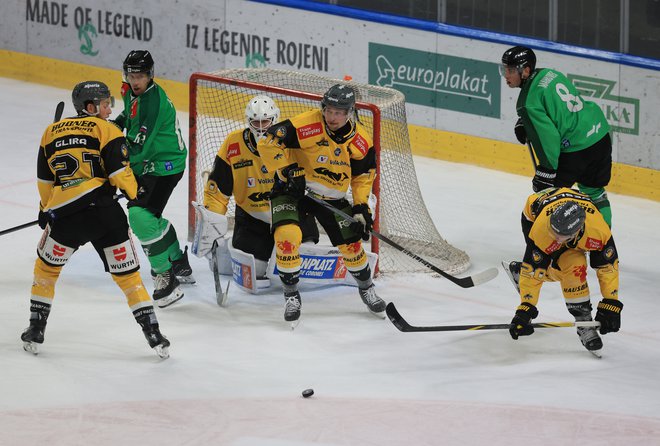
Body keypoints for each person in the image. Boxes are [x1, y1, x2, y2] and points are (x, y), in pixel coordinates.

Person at [22, 81, 170, 358]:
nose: (109, 108)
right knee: (128, 278)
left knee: (46, 270)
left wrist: (46, 208)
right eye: (104, 104)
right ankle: (153, 333)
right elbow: (118, 172)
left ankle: (35, 328)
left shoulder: (49, 133)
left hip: (67, 218)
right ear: (90, 107)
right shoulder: (107, 129)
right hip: (106, 216)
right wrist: (134, 191)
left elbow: (45, 181)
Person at [257, 83, 386, 325]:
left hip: (332, 198)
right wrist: (288, 171)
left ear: (350, 113)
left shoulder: (360, 142)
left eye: (338, 112)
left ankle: (367, 288)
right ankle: (291, 295)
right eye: (328, 110)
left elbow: (363, 177)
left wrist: (361, 208)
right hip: (293, 191)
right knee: (286, 237)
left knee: (352, 246)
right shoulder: (306, 124)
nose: (332, 117)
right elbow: (268, 142)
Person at [192, 95, 318, 278]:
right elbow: (218, 190)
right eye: (255, 122)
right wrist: (213, 220)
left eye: (265, 122)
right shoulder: (233, 144)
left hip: (291, 212)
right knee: (257, 270)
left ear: (275, 119)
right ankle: (230, 250)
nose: (260, 128)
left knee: (304, 258)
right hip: (252, 217)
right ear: (248, 121)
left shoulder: (292, 142)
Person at [500, 45, 613, 227]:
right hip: (599, 133)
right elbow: (558, 109)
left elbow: (548, 139)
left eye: (511, 70)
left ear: (526, 70)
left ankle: (552, 251)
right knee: (595, 192)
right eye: (504, 69)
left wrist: (546, 172)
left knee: (550, 199)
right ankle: (603, 247)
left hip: (576, 149)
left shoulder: (527, 104)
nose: (506, 75)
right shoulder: (549, 73)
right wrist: (529, 124)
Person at [114, 50, 192, 308]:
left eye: (141, 76)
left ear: (150, 76)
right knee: (151, 216)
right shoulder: (129, 90)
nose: (135, 80)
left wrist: (116, 165)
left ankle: (165, 275)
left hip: (164, 165)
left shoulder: (155, 102)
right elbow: (128, 114)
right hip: (149, 162)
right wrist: (115, 125)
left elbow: (142, 149)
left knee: (140, 216)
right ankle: (178, 261)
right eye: (131, 75)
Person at [502, 187, 623, 355]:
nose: (555, 238)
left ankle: (518, 272)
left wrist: (611, 302)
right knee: (572, 265)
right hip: (534, 214)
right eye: (553, 232)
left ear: (577, 230)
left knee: (572, 267)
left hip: (570, 208)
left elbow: (608, 267)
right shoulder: (544, 231)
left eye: (560, 236)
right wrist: (526, 307)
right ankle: (584, 321)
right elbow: (534, 271)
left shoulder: (598, 230)